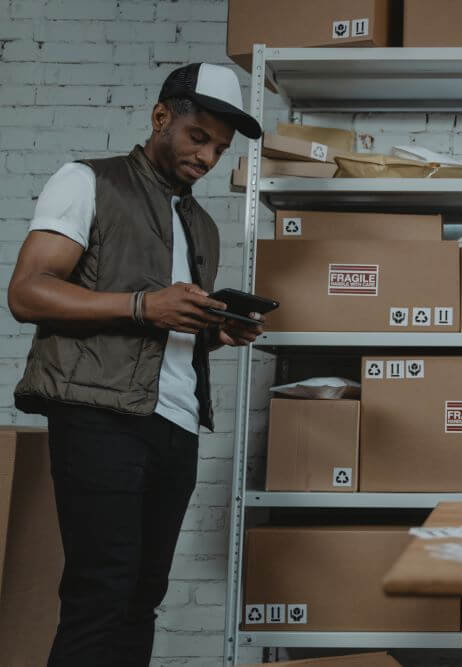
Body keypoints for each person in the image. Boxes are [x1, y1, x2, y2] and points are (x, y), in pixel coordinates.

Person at [7, 63, 264, 667]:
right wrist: (144, 306)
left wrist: (217, 331)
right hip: (99, 414)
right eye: (198, 137)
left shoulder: (199, 223)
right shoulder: (87, 181)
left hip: (173, 423)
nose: (207, 158)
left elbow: (165, 328)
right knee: (102, 593)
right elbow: (27, 292)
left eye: (220, 150)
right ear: (160, 118)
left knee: (143, 598)